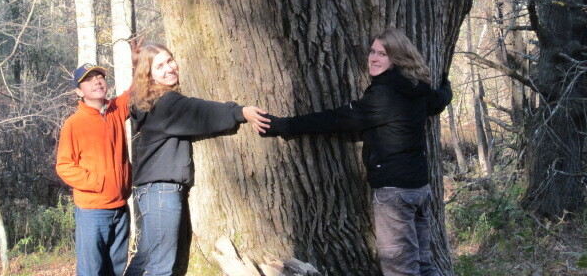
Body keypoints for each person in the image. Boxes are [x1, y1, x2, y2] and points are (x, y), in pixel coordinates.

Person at [262, 28, 452, 276]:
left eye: (382, 54)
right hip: (419, 189)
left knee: (401, 270)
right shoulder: (416, 88)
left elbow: (336, 119)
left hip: (395, 193)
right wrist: (447, 87)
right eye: (372, 51)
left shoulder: (385, 94)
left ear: (397, 58)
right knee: (424, 265)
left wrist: (283, 126)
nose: (373, 58)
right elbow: (438, 100)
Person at [124, 43, 270, 276]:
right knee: (160, 267)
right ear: (148, 75)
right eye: (159, 66)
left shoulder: (148, 102)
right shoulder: (165, 103)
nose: (169, 68)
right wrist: (239, 112)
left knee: (145, 259)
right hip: (161, 192)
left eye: (170, 60)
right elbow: (199, 112)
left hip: (151, 191)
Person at [56, 39, 142, 276]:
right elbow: (65, 166)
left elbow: (134, 92)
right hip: (92, 211)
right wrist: (98, 183)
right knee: (91, 271)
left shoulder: (115, 110)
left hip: (121, 208)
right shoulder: (74, 124)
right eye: (89, 80)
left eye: (100, 77)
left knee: (115, 269)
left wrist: (137, 65)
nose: (97, 81)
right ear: (78, 91)